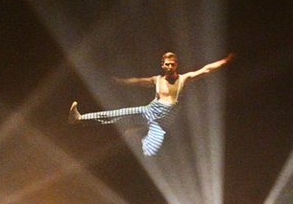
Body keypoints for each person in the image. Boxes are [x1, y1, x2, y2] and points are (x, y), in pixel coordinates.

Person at [68, 51, 234, 156]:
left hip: (166, 116)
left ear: (176, 65)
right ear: (163, 65)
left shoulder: (184, 78)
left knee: (150, 149)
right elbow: (139, 81)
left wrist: (224, 61)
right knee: (118, 113)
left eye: (172, 64)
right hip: (152, 109)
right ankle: (79, 118)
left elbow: (206, 70)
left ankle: (136, 134)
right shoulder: (157, 79)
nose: (169, 66)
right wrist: (122, 81)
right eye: (166, 64)